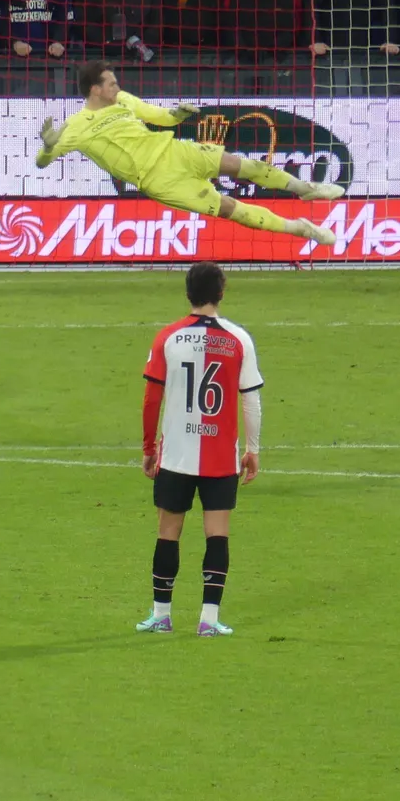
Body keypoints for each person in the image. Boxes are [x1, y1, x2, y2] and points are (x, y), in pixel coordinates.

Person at [34, 61, 341, 245]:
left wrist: (178, 114)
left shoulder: (124, 99)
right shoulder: (75, 126)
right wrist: (48, 146)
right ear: (95, 90)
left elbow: (160, 117)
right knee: (229, 208)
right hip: (160, 180)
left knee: (240, 164)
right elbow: (41, 163)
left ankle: (306, 189)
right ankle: (302, 229)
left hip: (174, 150)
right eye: (111, 84)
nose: (118, 87)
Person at [136, 261, 262, 637]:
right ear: (221, 292)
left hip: (175, 454)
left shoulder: (168, 338)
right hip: (221, 457)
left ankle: (161, 615)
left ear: (187, 292)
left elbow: (150, 400)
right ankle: (208, 620)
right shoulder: (239, 338)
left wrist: (148, 448)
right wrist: (252, 449)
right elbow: (251, 401)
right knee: (217, 534)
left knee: (167, 532)